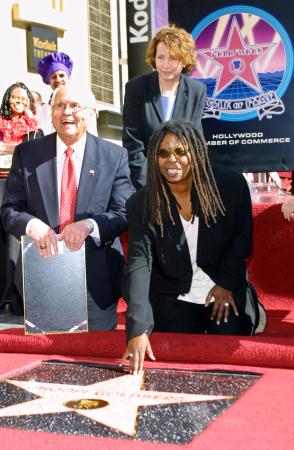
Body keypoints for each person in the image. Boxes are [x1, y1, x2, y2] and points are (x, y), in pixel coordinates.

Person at [121, 119, 256, 373]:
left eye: (181, 151)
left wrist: (226, 283)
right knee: (174, 353)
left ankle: (250, 305)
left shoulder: (230, 185)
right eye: (163, 153)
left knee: (227, 344)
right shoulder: (141, 203)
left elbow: (242, 239)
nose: (172, 160)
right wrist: (137, 327)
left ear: (195, 152)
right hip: (173, 293)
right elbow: (140, 263)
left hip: (221, 285)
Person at [1, 83, 134, 329]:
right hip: (42, 278)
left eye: (75, 106)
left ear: (91, 112)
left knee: (94, 362)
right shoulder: (27, 154)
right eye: (60, 105)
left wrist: (90, 226)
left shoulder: (114, 156)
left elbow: (124, 212)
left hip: (96, 284)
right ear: (51, 114)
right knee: (46, 362)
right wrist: (31, 225)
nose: (67, 112)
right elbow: (9, 211)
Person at [122, 24, 207, 190]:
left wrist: (183, 183)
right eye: (161, 57)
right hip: (144, 184)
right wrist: (150, 185)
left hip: (183, 182)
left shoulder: (197, 90)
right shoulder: (136, 88)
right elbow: (132, 143)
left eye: (173, 58)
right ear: (153, 58)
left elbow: (194, 143)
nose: (166, 64)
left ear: (184, 60)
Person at [37, 51, 98, 136]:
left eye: (62, 75)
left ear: (69, 77)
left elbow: (90, 128)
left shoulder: (83, 97)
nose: (58, 80)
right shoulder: (45, 109)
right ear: (49, 81)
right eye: (54, 77)